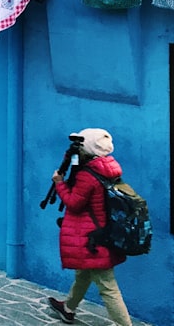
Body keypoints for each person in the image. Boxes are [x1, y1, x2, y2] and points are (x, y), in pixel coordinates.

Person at [48, 127, 132, 326]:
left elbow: (74, 203)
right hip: (100, 231)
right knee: (83, 274)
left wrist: (59, 183)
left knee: (107, 286)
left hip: (90, 237)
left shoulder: (88, 175)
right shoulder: (107, 167)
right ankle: (68, 309)